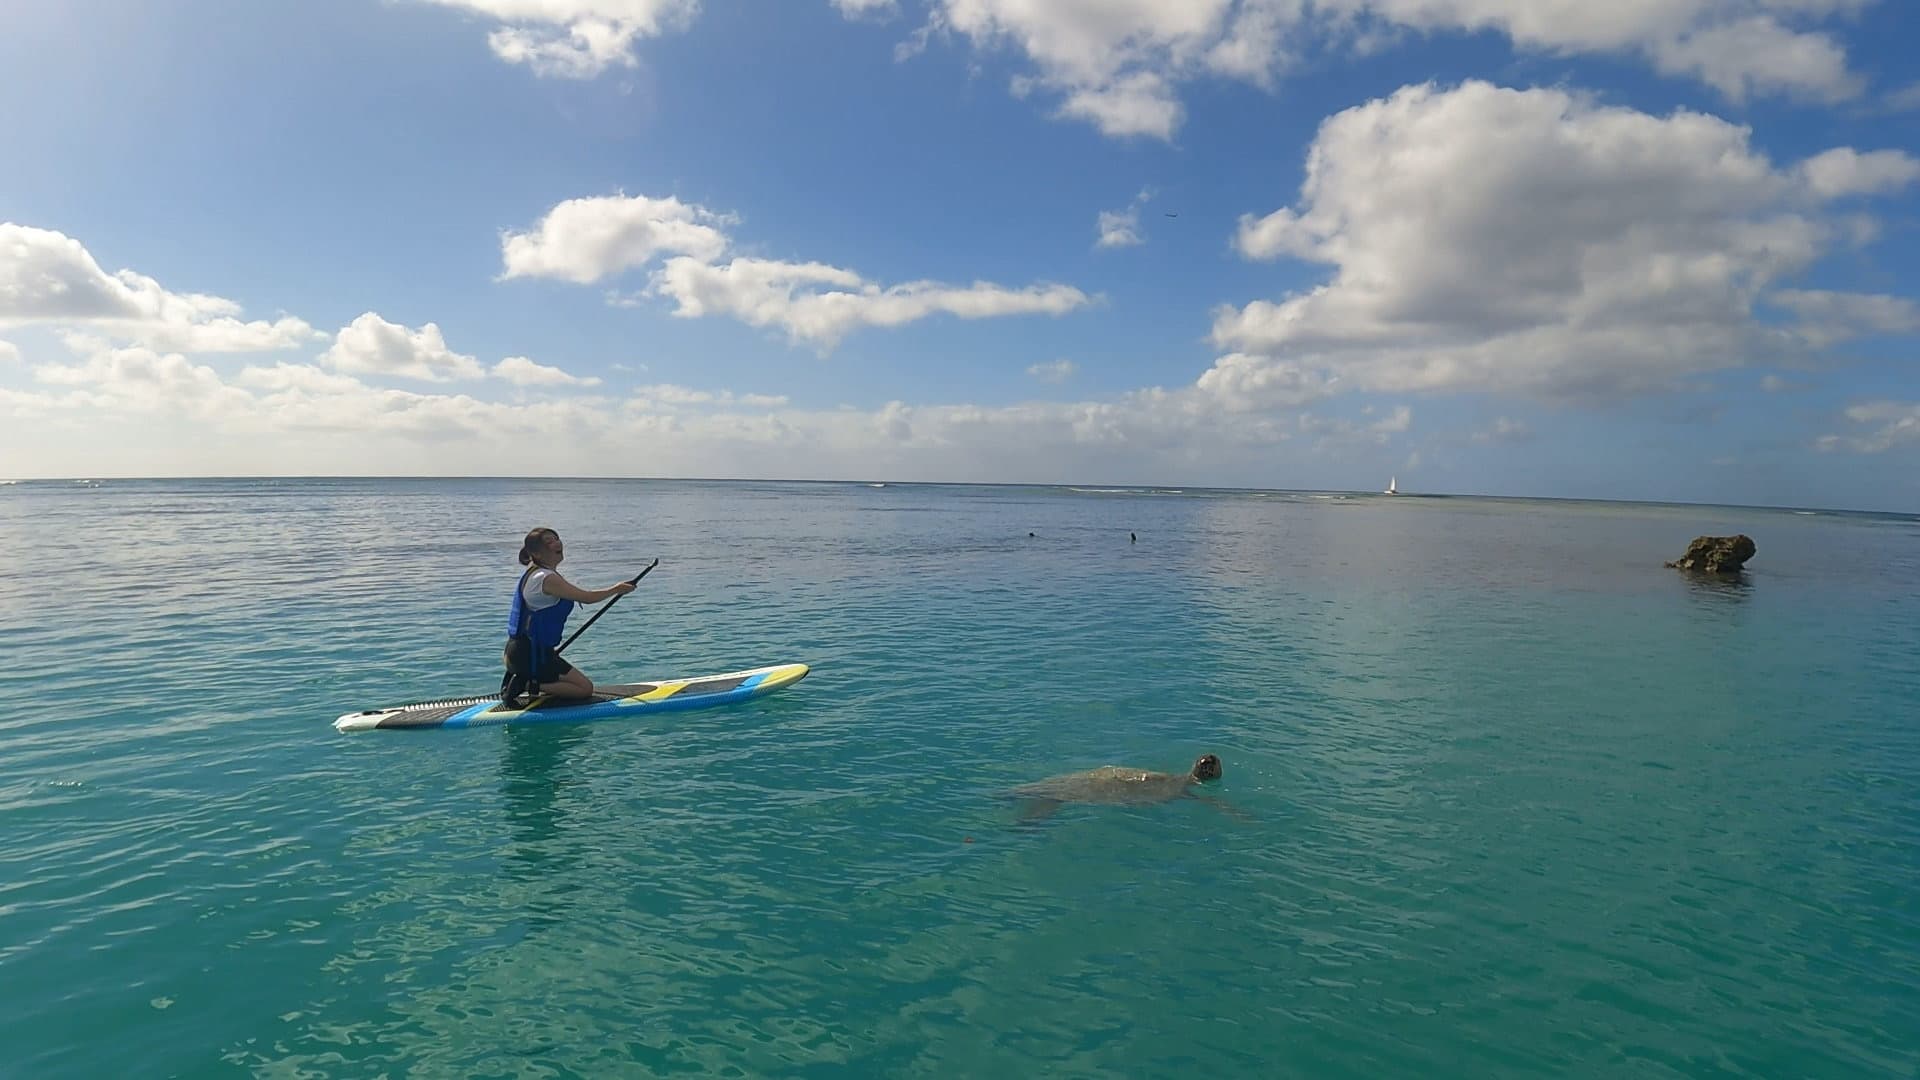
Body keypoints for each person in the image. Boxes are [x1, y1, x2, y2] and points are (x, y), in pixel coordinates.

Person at [502, 527, 635, 703]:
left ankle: (528, 679)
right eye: (549, 542)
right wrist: (616, 589)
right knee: (584, 689)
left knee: (572, 682)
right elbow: (587, 598)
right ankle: (527, 684)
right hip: (530, 655)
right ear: (536, 553)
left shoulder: (534, 571)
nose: (557, 543)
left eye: (556, 538)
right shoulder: (546, 578)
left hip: (520, 652)